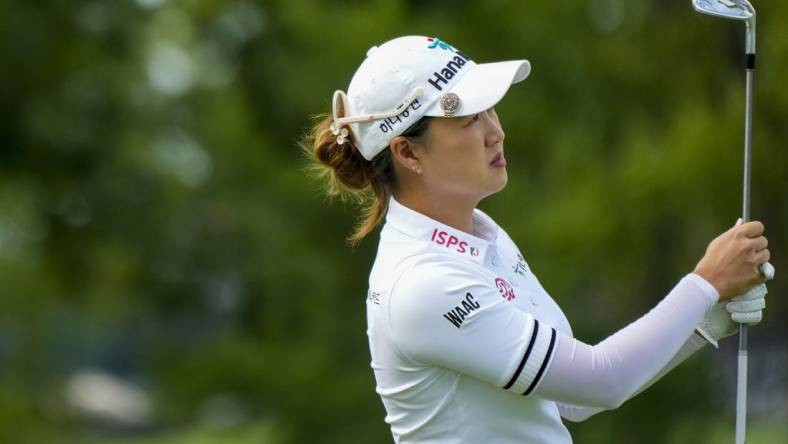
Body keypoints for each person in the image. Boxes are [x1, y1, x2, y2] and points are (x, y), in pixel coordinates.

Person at [301, 35, 774, 443]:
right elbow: (600, 381)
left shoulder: (482, 234)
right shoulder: (422, 281)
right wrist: (704, 284)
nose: (496, 133)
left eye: (491, 111)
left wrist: (702, 323)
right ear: (407, 152)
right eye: (469, 120)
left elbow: (571, 401)